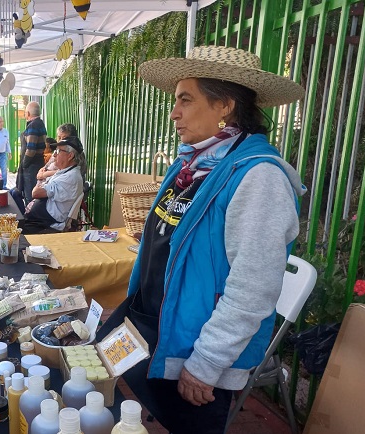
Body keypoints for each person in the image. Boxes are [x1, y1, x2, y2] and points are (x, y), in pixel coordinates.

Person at [96, 46, 306, 434]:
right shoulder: (191, 165)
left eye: (185, 100)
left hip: (194, 349)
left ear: (224, 105)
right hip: (155, 327)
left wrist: (206, 364)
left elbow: (253, 288)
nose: (174, 113)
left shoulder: (258, 178)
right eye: (175, 101)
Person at [22, 136, 84, 234]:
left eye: (58, 151)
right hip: (39, 220)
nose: (54, 155)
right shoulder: (64, 172)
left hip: (46, 225)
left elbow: (36, 193)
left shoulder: (70, 177)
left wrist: (41, 179)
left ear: (70, 155)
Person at [18, 101, 47, 204]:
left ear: (28, 114)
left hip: (32, 165)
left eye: (25, 112)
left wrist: (24, 164)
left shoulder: (33, 126)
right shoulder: (40, 123)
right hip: (38, 162)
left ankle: (30, 217)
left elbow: (31, 149)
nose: (25, 114)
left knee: (30, 195)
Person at [37, 123, 78, 188]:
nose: (60, 140)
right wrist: (41, 171)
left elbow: (67, 172)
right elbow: (47, 165)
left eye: (64, 138)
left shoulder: (75, 152)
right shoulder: (57, 151)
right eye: (59, 137)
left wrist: (44, 174)